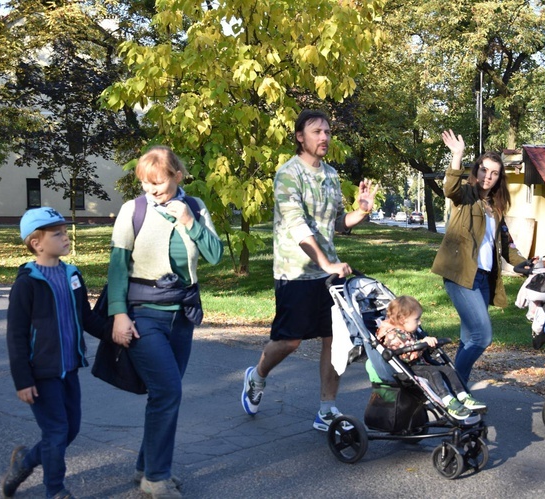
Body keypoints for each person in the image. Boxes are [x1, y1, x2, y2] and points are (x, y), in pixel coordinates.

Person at [241, 109, 378, 431]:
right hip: (295, 272)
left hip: (329, 276)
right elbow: (298, 227)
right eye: (317, 131)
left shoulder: (330, 175)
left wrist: (360, 212)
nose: (325, 137)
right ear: (300, 137)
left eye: (328, 132)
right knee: (290, 341)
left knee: (335, 340)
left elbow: (335, 224)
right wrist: (325, 262)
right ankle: (257, 376)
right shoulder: (288, 174)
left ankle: (327, 408)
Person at [108, 146, 223, 499]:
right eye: (145, 184)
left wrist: (190, 222)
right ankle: (156, 478)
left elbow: (214, 255)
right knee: (168, 391)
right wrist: (119, 314)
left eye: (158, 183)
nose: (151, 191)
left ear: (177, 175)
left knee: (163, 395)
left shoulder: (197, 207)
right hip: (144, 314)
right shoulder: (133, 210)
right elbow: (117, 266)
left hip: (182, 316)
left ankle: (145, 466)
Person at [4, 207, 109, 499]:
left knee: (69, 430)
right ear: (36, 243)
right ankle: (55, 490)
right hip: (40, 373)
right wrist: (22, 379)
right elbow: (16, 334)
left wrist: (114, 333)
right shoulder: (27, 283)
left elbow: (86, 318)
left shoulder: (72, 274)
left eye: (65, 231)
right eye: (57, 233)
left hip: (69, 369)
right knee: (56, 432)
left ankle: (25, 461)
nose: (65, 237)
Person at [431, 130, 528, 383]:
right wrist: (457, 155)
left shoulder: (495, 206)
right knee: (482, 337)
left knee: (468, 338)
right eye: (484, 170)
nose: (488, 176)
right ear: (477, 170)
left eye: (494, 173)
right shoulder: (466, 195)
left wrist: (525, 264)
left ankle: (456, 392)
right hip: (461, 275)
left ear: (499, 178)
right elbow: (449, 188)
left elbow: (505, 243)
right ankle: (452, 386)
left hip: (483, 279)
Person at [376, 295, 487, 420]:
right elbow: (406, 356)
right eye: (417, 319)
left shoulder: (406, 331)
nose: (420, 322)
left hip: (419, 365)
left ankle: (463, 396)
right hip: (407, 368)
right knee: (433, 372)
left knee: (448, 370)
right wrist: (422, 344)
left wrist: (428, 345)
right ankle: (447, 400)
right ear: (402, 319)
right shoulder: (392, 335)